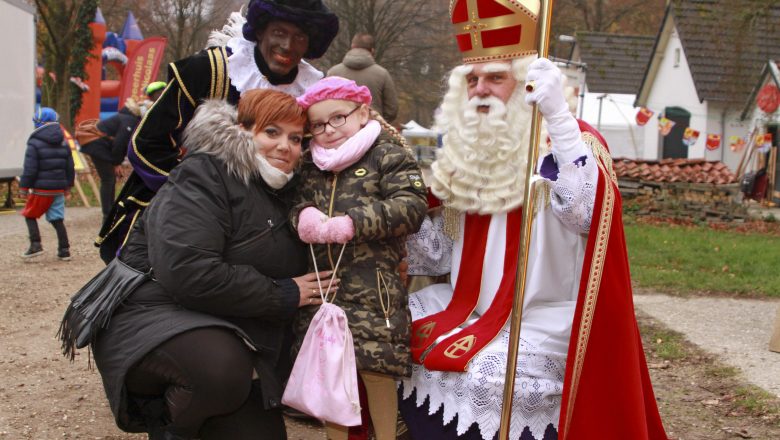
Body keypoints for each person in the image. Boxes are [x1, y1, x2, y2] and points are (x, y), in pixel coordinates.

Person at [397, 2, 668, 440]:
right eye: (472, 79)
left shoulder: (571, 145)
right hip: (471, 308)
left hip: (543, 316)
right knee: (390, 328)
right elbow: (441, 256)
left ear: (527, 81)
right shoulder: (466, 153)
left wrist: (558, 119)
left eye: (496, 78)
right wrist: (396, 215)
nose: (481, 89)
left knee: (488, 377)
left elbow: (586, 215)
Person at [90, 89, 334, 439]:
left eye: (296, 138)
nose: (286, 146)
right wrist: (283, 293)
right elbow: (187, 271)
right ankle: (168, 427)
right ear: (242, 130)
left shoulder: (289, 194)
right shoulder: (204, 174)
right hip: (154, 316)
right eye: (271, 132)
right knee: (220, 371)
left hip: (232, 330)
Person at [95, 0, 339, 264]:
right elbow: (147, 145)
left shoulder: (314, 92)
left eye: (299, 37)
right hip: (186, 214)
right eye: (279, 32)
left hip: (267, 225)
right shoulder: (211, 71)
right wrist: (200, 198)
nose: (288, 46)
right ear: (259, 31)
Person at [292, 76, 427, 440]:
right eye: (318, 124)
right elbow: (293, 203)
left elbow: (411, 206)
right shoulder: (310, 164)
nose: (329, 130)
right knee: (330, 376)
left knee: (376, 373)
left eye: (338, 118)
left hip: (375, 289)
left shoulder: (388, 154)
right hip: (326, 290)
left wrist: (353, 223)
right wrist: (302, 216)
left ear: (362, 111)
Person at [80, 82, 164, 222]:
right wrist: (116, 162)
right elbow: (120, 143)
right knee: (108, 179)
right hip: (97, 145)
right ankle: (108, 215)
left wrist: (116, 162)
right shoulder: (128, 121)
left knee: (110, 179)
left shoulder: (129, 118)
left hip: (103, 146)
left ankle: (110, 211)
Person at [19, 107, 74, 261]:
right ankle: (64, 250)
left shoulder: (34, 142)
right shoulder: (63, 141)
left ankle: (35, 245)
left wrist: (24, 188)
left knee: (29, 214)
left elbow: (30, 168)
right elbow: (70, 166)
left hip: (40, 190)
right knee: (57, 218)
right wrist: (68, 186)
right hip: (58, 189)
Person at [327, 33, 399, 123]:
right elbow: (392, 110)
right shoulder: (382, 74)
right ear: (372, 50)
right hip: (373, 131)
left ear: (352, 47)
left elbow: (325, 105)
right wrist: (378, 122)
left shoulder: (333, 73)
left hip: (340, 130)